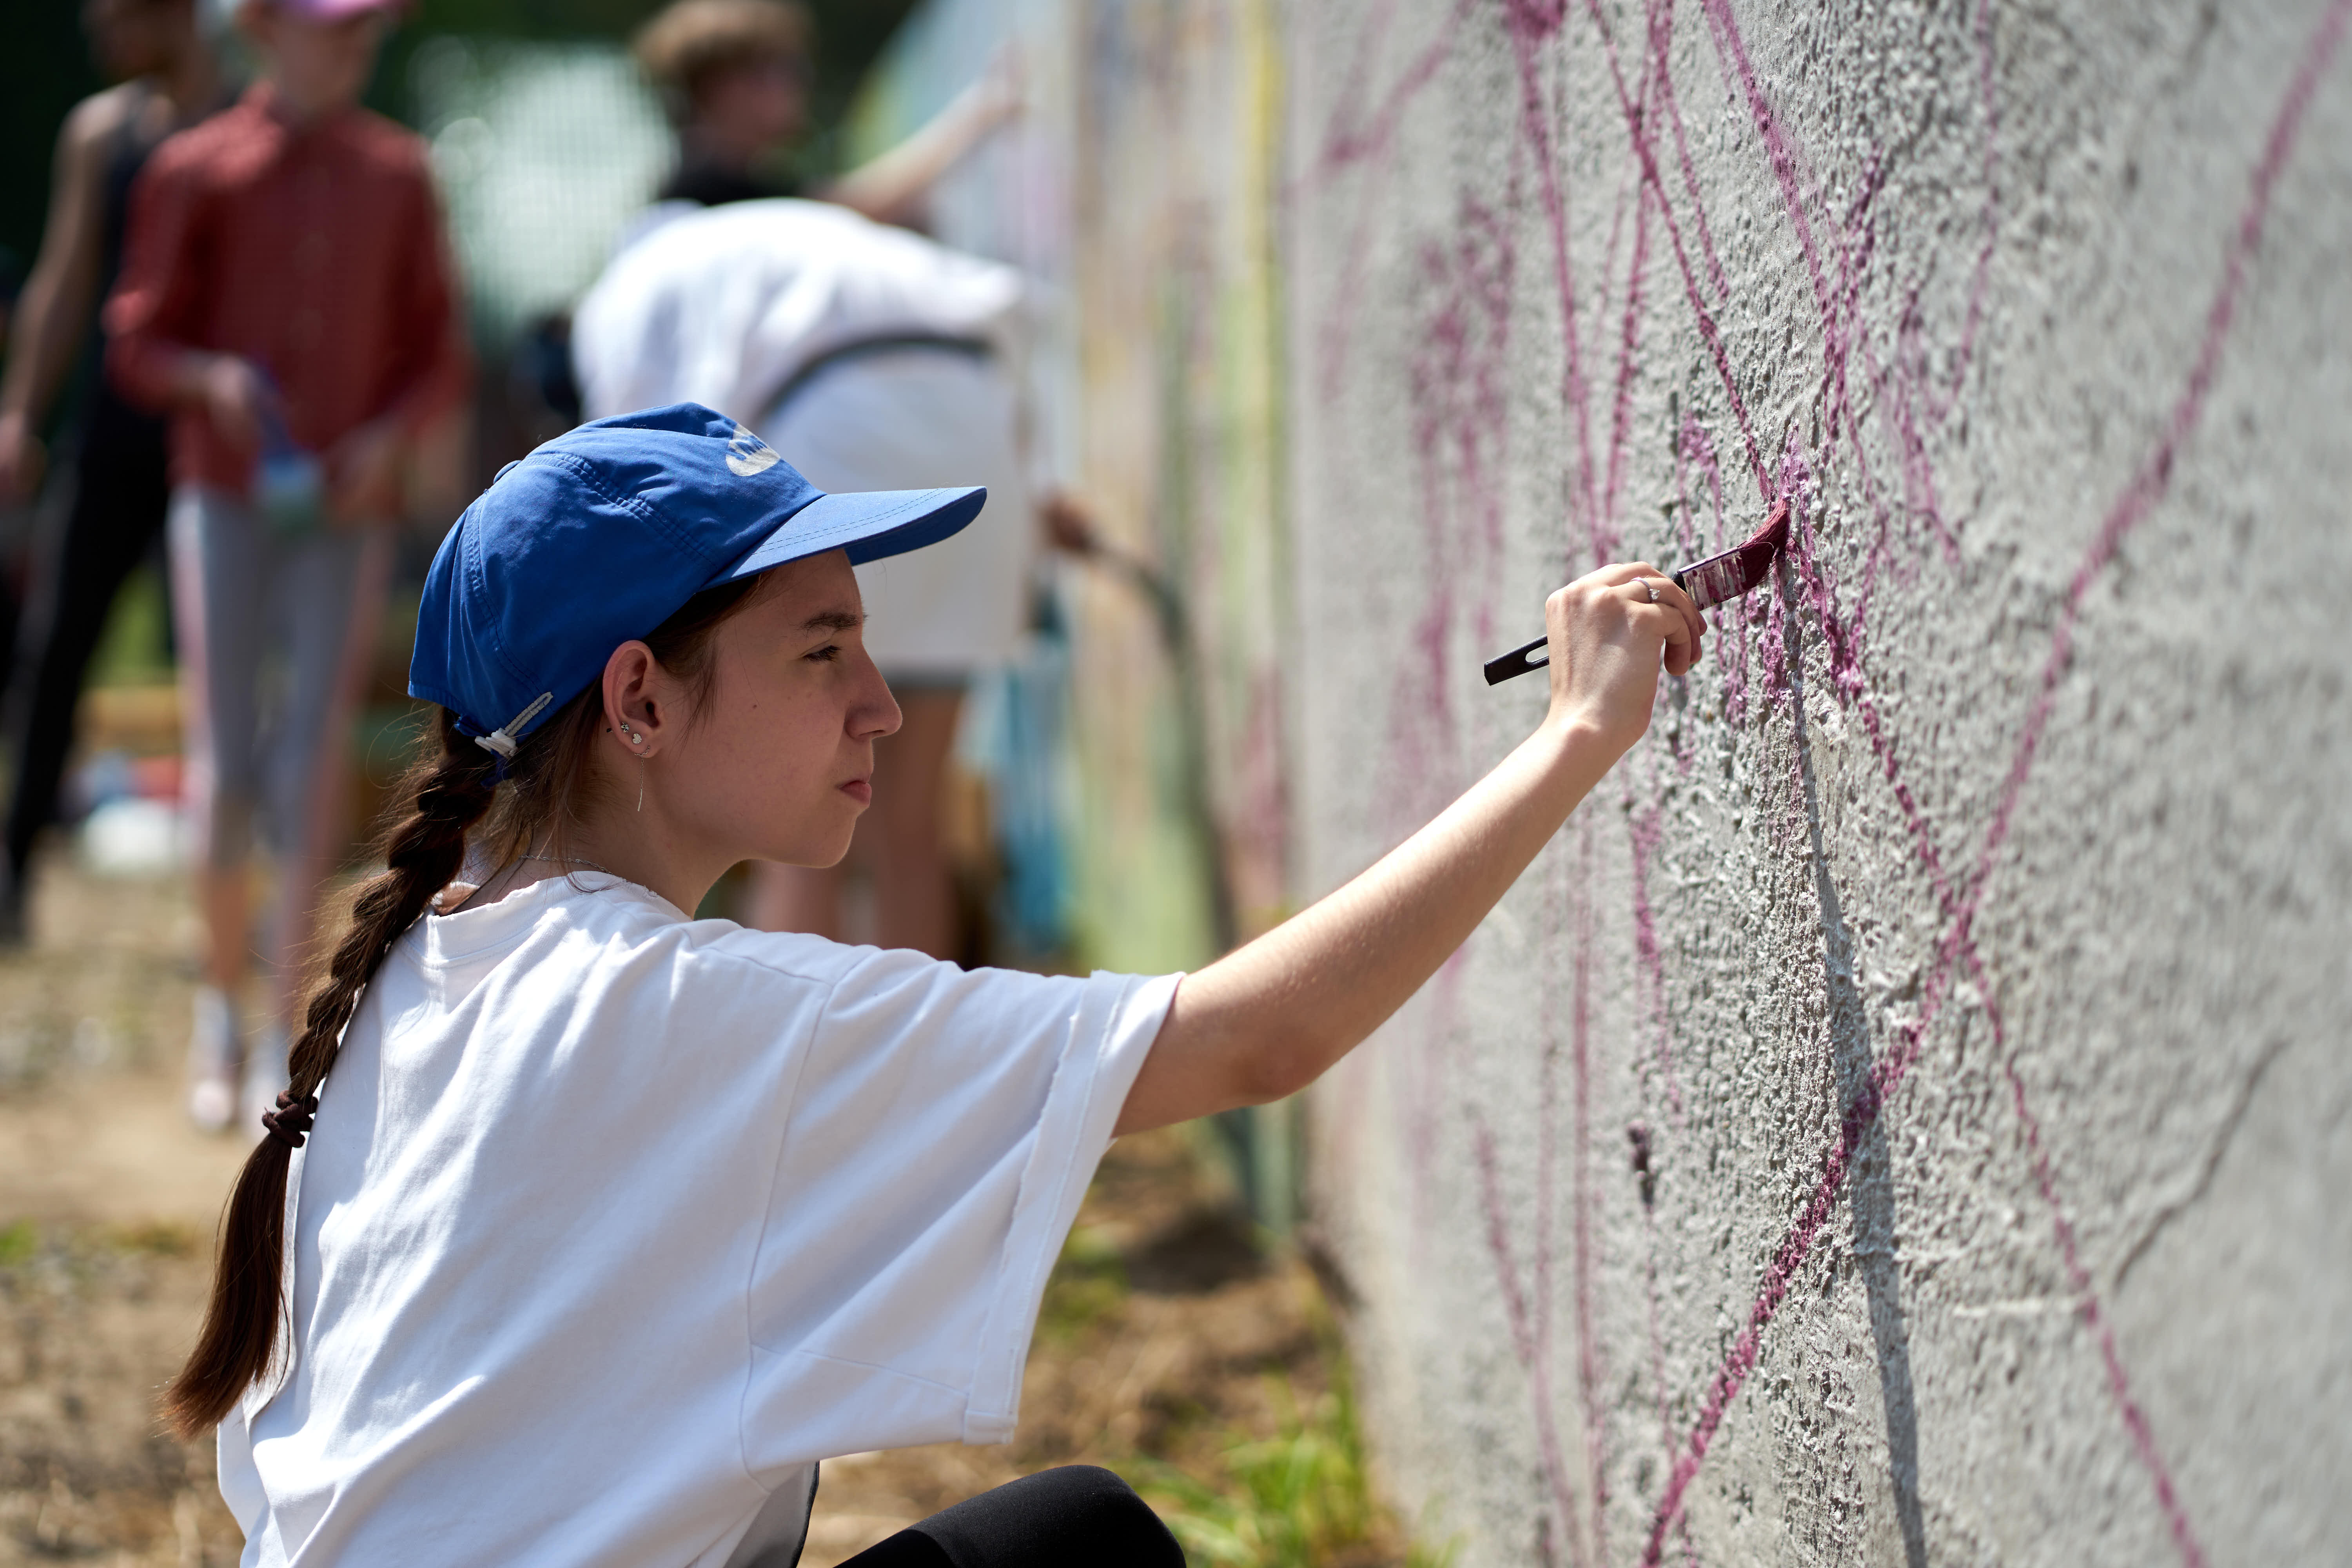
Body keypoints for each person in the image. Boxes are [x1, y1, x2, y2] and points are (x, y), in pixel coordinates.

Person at [156, 403, 1704, 1564]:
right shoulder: (696, 1012)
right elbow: (1258, 1038)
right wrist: (1577, 734)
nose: (886, 708)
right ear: (639, 695)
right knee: (1078, 1551)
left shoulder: (412, 981)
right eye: (824, 650)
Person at [103, 0, 470, 1131]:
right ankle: (218, 1002)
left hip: (344, 507)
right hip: (224, 496)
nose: (353, 42)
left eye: (364, 28)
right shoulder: (194, 166)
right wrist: (208, 380)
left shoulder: (398, 170)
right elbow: (136, 340)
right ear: (264, 29)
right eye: (330, 26)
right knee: (226, 759)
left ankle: (280, 1019)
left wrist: (389, 438)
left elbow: (437, 350)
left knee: (312, 762)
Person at [573, 198, 1036, 956]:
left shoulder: (623, 293)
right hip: (981, 439)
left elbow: (628, 469)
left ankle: (801, 1070)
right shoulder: (797, 232)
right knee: (913, 826)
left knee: (793, 815)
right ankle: (918, 1070)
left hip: (837, 430)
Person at [0, 0, 224, 943]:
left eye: (116, 14)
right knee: (56, 652)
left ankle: (222, 896)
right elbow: (63, 276)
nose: (99, 34)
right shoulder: (102, 132)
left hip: (212, 446)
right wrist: (19, 412)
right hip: (109, 434)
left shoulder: (245, 125)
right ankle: (13, 872)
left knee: (222, 669)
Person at [632, 0, 1021, 226]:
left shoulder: (716, 180)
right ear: (727, 86)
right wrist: (981, 111)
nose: (799, 84)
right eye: (782, 68)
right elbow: (859, 208)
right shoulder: (710, 192)